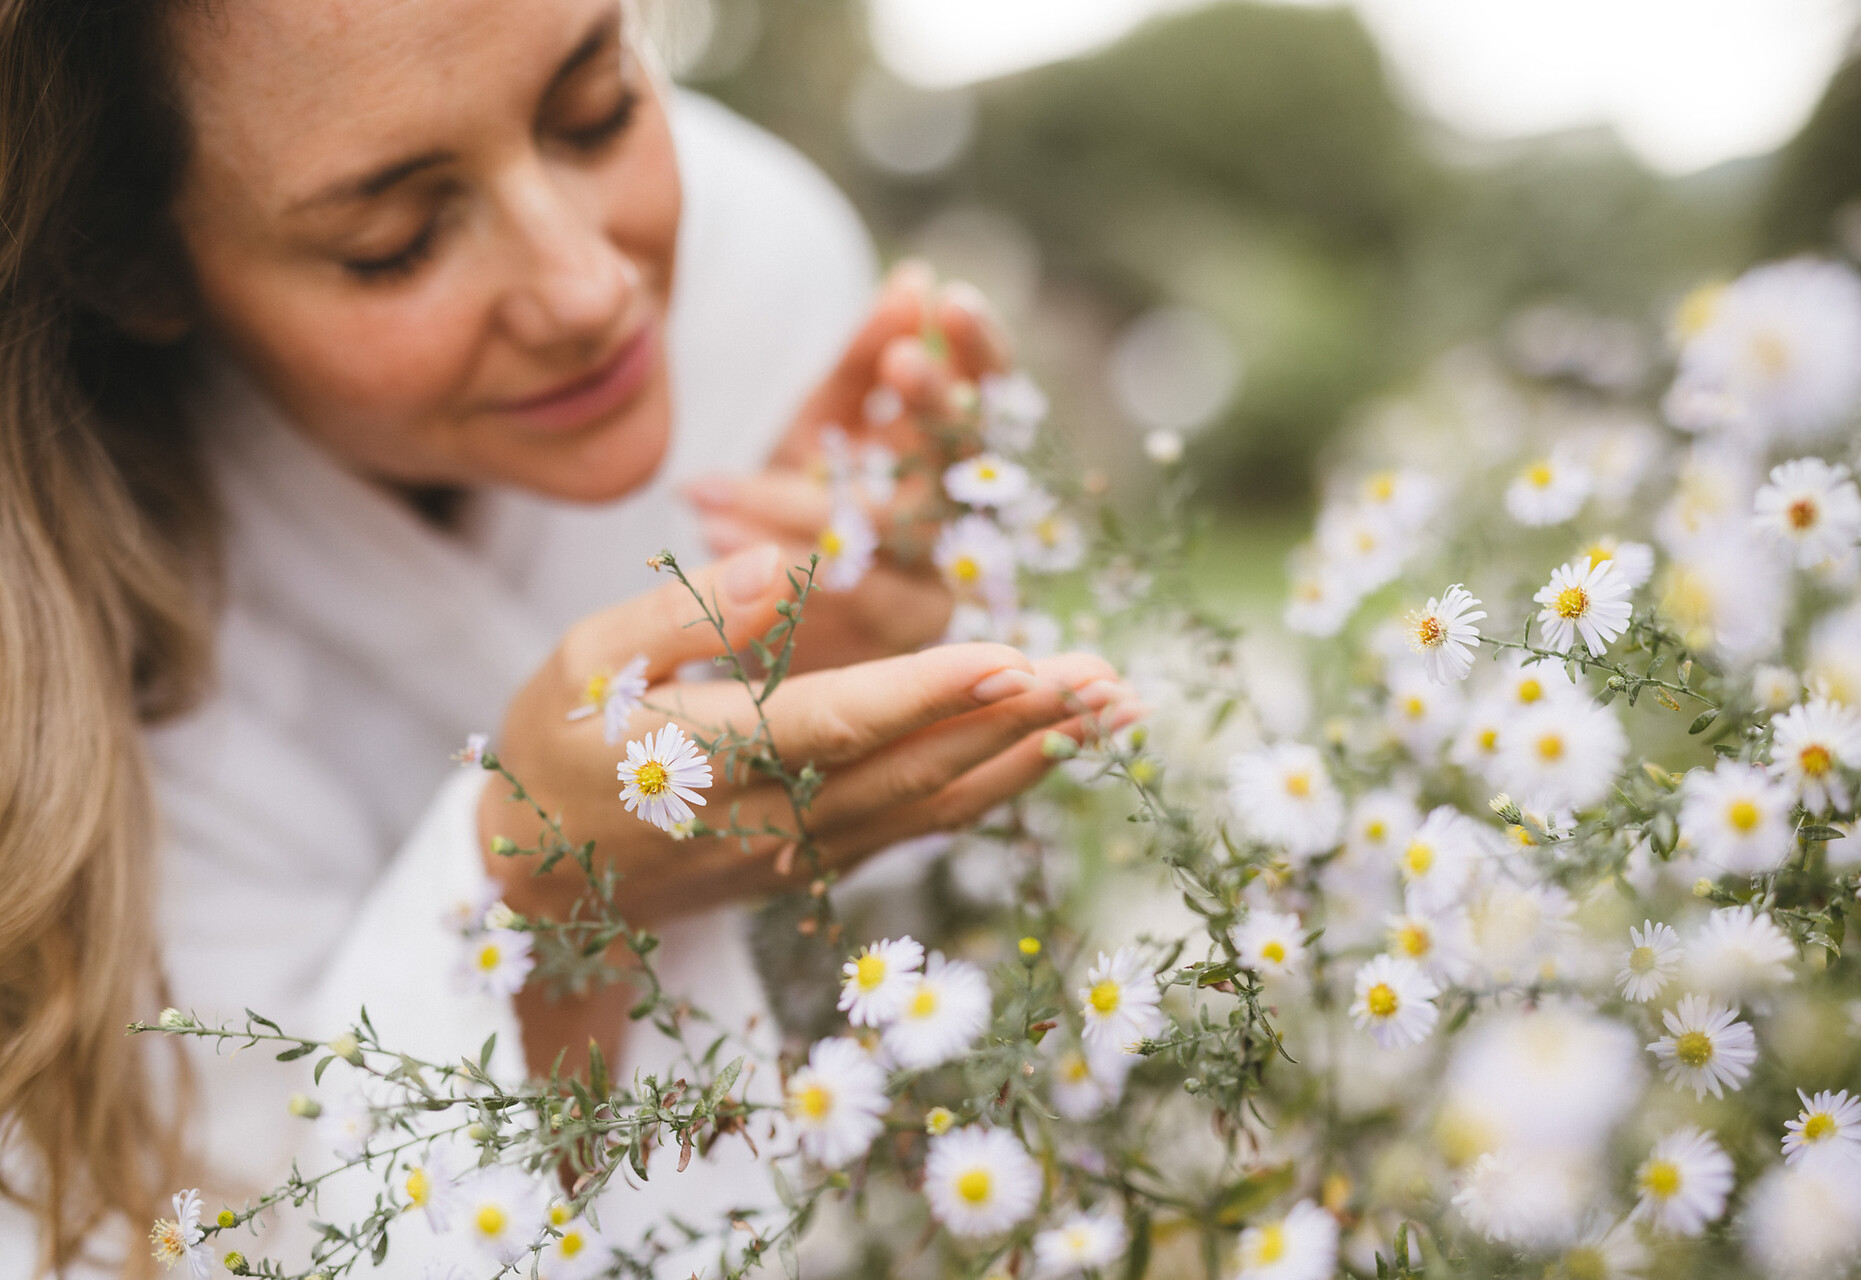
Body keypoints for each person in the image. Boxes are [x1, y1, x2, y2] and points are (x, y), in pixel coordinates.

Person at [0, 0, 1135, 1273]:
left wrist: (851, 687)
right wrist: (535, 913)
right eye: (397, 239)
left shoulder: (762, 269)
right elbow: (241, 1224)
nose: (592, 289)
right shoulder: (79, 679)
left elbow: (924, 1008)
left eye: (597, 109)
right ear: (139, 268)